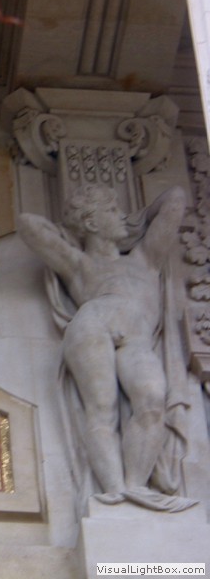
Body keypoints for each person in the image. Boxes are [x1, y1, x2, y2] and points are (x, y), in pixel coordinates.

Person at [17, 184, 195, 511]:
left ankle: (135, 485)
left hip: (137, 338)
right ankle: (114, 490)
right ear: (92, 223)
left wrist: (139, 220)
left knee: (152, 400)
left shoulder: (145, 258)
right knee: (101, 408)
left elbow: (175, 199)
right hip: (92, 325)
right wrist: (70, 232)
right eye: (112, 211)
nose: (122, 216)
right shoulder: (79, 264)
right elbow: (28, 223)